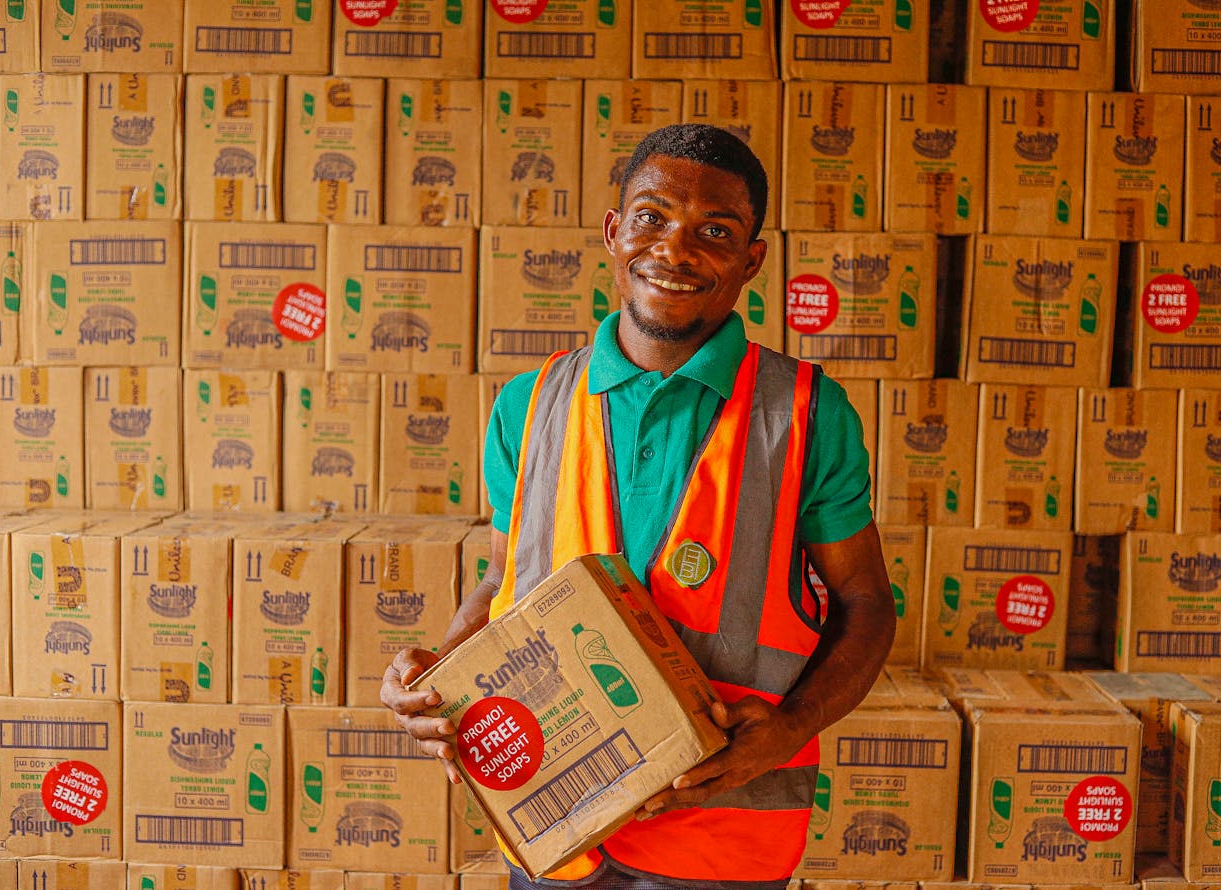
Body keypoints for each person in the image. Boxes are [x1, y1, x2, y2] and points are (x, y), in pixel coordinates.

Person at [381, 123, 895, 889]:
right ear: (615, 233)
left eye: (714, 231)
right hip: (556, 815)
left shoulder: (806, 414)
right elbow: (504, 583)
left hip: (722, 837)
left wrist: (787, 731)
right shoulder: (527, 405)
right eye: (652, 218)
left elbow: (867, 603)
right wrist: (435, 681)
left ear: (751, 260)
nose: (676, 250)